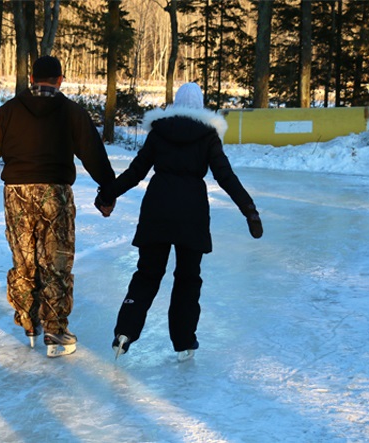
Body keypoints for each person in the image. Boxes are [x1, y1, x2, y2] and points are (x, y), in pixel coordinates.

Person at [95, 82, 263, 362]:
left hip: (156, 209)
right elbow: (225, 175)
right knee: (187, 279)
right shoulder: (208, 135)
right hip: (191, 213)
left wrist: (107, 194)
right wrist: (249, 209)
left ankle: (125, 332)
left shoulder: (160, 131)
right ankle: (185, 341)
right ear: (200, 107)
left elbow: (136, 171)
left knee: (146, 275)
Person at [0, 56, 115, 358]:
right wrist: (108, 191)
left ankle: (29, 322)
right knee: (56, 262)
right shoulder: (72, 113)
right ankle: (55, 330)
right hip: (55, 194)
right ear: (60, 79)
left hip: (16, 194)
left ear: (32, 78)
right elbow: (92, 152)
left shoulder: (8, 111)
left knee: (24, 260)